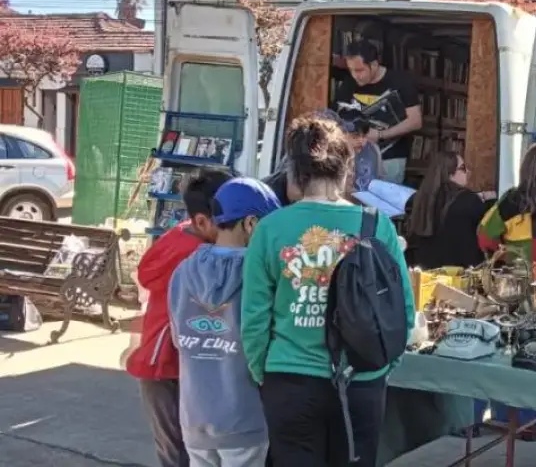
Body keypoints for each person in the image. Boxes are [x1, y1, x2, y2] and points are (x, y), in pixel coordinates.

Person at [241, 114, 414, 467]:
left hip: (289, 381)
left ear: (294, 171)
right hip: (361, 381)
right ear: (347, 168)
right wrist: (381, 367)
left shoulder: (270, 229)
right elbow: (403, 313)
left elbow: (254, 319)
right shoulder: (376, 224)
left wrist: (265, 374)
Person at [168, 178, 282, 467]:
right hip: (243, 418)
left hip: (194, 417)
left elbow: (178, 338)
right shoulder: (259, 275)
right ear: (251, 224)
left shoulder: (183, 271)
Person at [125, 169, 233, 467]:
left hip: (158, 363)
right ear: (202, 221)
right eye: (228, 222)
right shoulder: (201, 255)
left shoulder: (180, 232)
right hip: (169, 366)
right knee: (184, 454)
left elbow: (146, 273)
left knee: (174, 452)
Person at [477, 142, 536, 282]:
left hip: (520, 286)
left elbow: (484, 235)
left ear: (526, 167)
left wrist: (502, 255)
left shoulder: (512, 199)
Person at [333, 40, 422, 183]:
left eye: (360, 70)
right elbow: (335, 117)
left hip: (390, 157)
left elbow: (415, 121)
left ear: (374, 65)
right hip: (355, 156)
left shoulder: (400, 82)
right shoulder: (348, 84)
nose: (355, 75)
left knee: (384, 202)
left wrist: (380, 135)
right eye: (351, 70)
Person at [404, 151, 488, 269]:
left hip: (426, 274)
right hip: (462, 275)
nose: (468, 172)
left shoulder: (418, 201)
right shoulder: (470, 201)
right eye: (463, 168)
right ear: (449, 173)